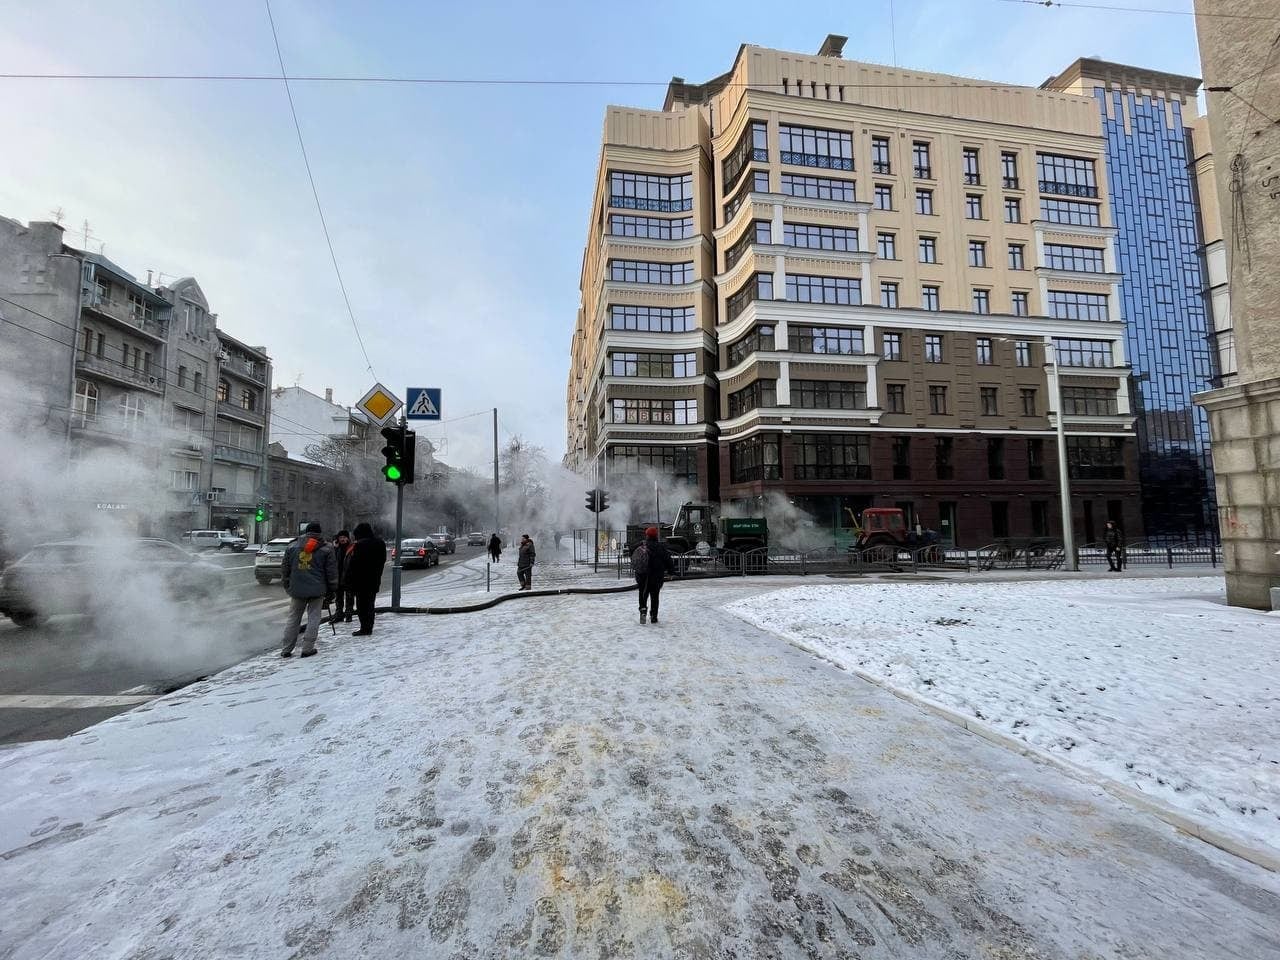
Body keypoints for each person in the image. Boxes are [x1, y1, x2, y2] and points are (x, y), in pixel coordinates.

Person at [280, 522, 338, 658]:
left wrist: (287, 585)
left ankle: (286, 649)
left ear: (306, 531)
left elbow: (285, 569)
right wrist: (332, 589)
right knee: (314, 617)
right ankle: (307, 648)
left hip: (297, 589)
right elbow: (331, 572)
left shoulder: (292, 546)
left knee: (293, 618)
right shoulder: (327, 548)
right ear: (319, 533)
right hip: (317, 590)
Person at [345, 522, 387, 636]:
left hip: (360, 581)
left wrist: (349, 580)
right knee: (370, 604)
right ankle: (369, 627)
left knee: (361, 605)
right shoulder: (380, 543)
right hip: (374, 579)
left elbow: (354, 565)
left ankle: (365, 628)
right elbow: (383, 560)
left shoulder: (360, 545)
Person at [632, 526, 675, 625]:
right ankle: (654, 616)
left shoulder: (642, 545)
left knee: (643, 594)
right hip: (657, 576)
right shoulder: (661, 547)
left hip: (643, 576)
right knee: (655, 596)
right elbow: (668, 560)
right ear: (656, 536)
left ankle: (643, 611)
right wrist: (671, 572)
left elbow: (632, 553)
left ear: (647, 535)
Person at [332, 530, 355, 622]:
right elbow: (332, 561)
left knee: (349, 597)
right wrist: (335, 548)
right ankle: (339, 614)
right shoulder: (336, 549)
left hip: (349, 577)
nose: (342, 539)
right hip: (338, 577)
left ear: (348, 538)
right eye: (340, 537)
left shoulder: (352, 548)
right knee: (338, 598)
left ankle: (349, 614)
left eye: (344, 537)